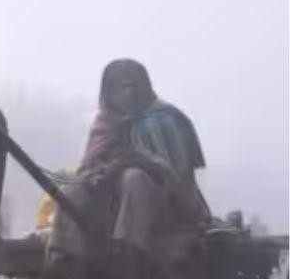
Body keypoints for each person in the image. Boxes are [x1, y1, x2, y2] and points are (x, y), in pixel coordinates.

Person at [46, 59, 210, 278]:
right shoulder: (105, 122)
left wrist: (137, 162)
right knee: (72, 190)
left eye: (134, 85)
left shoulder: (165, 119)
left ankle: (130, 256)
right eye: (122, 87)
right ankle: (64, 260)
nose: (129, 92)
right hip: (107, 207)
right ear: (109, 92)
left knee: (135, 179)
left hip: (166, 208)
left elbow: (178, 179)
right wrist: (101, 173)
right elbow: (90, 167)